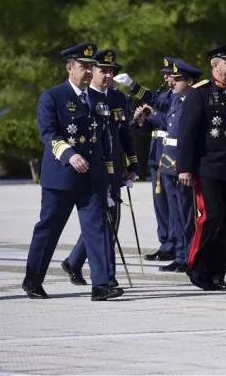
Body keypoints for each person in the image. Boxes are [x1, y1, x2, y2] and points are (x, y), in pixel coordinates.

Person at [23, 42, 123, 301]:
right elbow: (48, 133)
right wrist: (70, 154)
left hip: (94, 177)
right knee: (49, 229)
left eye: (92, 67)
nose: (89, 71)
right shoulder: (53, 97)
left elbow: (106, 139)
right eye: (84, 67)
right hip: (62, 176)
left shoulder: (101, 99)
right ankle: (33, 281)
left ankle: (101, 285)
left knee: (98, 229)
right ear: (70, 68)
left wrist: (112, 174)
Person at [177, 42, 226, 291]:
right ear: (215, 65)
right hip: (207, 167)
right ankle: (197, 267)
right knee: (209, 217)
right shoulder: (199, 93)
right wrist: (184, 168)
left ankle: (217, 273)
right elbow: (187, 134)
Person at [115, 58, 204, 273]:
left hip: (181, 165)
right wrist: (132, 85)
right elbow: (155, 99)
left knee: (186, 214)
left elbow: (190, 139)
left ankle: (192, 256)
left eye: (178, 79)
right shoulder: (176, 100)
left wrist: (187, 168)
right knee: (175, 214)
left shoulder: (194, 101)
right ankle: (181, 255)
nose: (172, 82)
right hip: (167, 163)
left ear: (190, 81)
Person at [62, 50, 139, 288]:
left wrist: (133, 163)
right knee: (101, 221)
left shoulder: (118, 99)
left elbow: (124, 133)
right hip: (93, 167)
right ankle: (106, 274)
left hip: (115, 166)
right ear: (91, 71)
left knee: (111, 220)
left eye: (111, 71)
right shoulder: (86, 98)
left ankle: (76, 262)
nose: (107, 76)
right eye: (102, 71)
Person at [135, 63, 176, 262]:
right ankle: (165, 242)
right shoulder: (164, 97)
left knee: (172, 204)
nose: (166, 79)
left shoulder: (177, 100)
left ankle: (175, 243)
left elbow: (170, 122)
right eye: (165, 75)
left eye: (169, 75)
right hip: (156, 155)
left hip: (170, 158)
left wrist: (153, 113)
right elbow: (151, 129)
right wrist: (142, 120)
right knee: (160, 205)